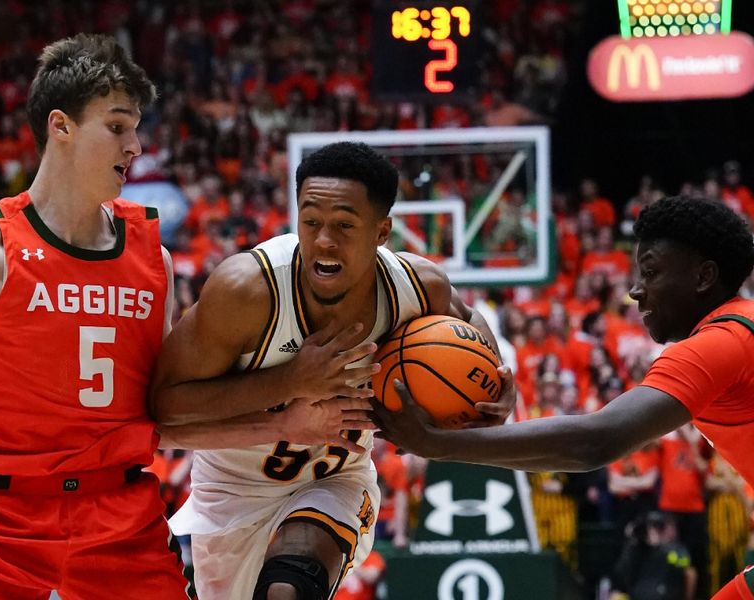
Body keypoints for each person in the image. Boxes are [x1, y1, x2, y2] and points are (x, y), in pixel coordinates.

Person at [149, 141, 513, 600]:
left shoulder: (417, 287)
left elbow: (470, 321)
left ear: (382, 231)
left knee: (290, 585)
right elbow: (164, 407)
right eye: (311, 221)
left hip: (335, 479)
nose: (324, 239)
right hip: (234, 489)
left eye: (344, 225)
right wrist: (288, 386)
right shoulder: (245, 291)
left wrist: (497, 381)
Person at [373, 195, 754, 599]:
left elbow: (595, 441)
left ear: (704, 277)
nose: (635, 291)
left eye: (650, 273)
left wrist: (435, 444)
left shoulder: (718, 343)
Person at [0, 34, 195, 598]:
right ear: (60, 126)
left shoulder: (155, 258)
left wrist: (285, 419)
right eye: (118, 126)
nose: (136, 146)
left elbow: (164, 415)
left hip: (123, 517)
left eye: (137, 128)